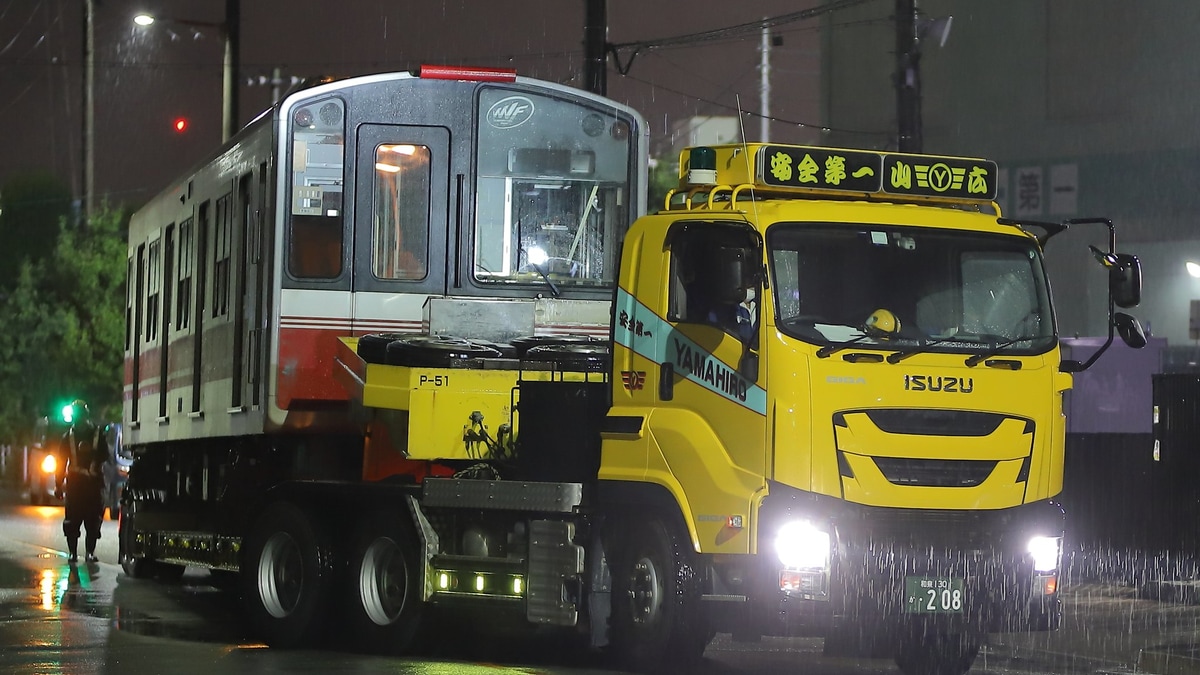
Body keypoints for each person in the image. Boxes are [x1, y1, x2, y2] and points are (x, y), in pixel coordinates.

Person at [55, 400, 109, 564]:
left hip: (92, 484)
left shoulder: (98, 435)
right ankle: (73, 553)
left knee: (93, 521)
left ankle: (89, 553)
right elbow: (61, 461)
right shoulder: (68, 437)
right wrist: (58, 484)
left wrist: (94, 460)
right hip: (76, 485)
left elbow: (105, 455)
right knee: (72, 521)